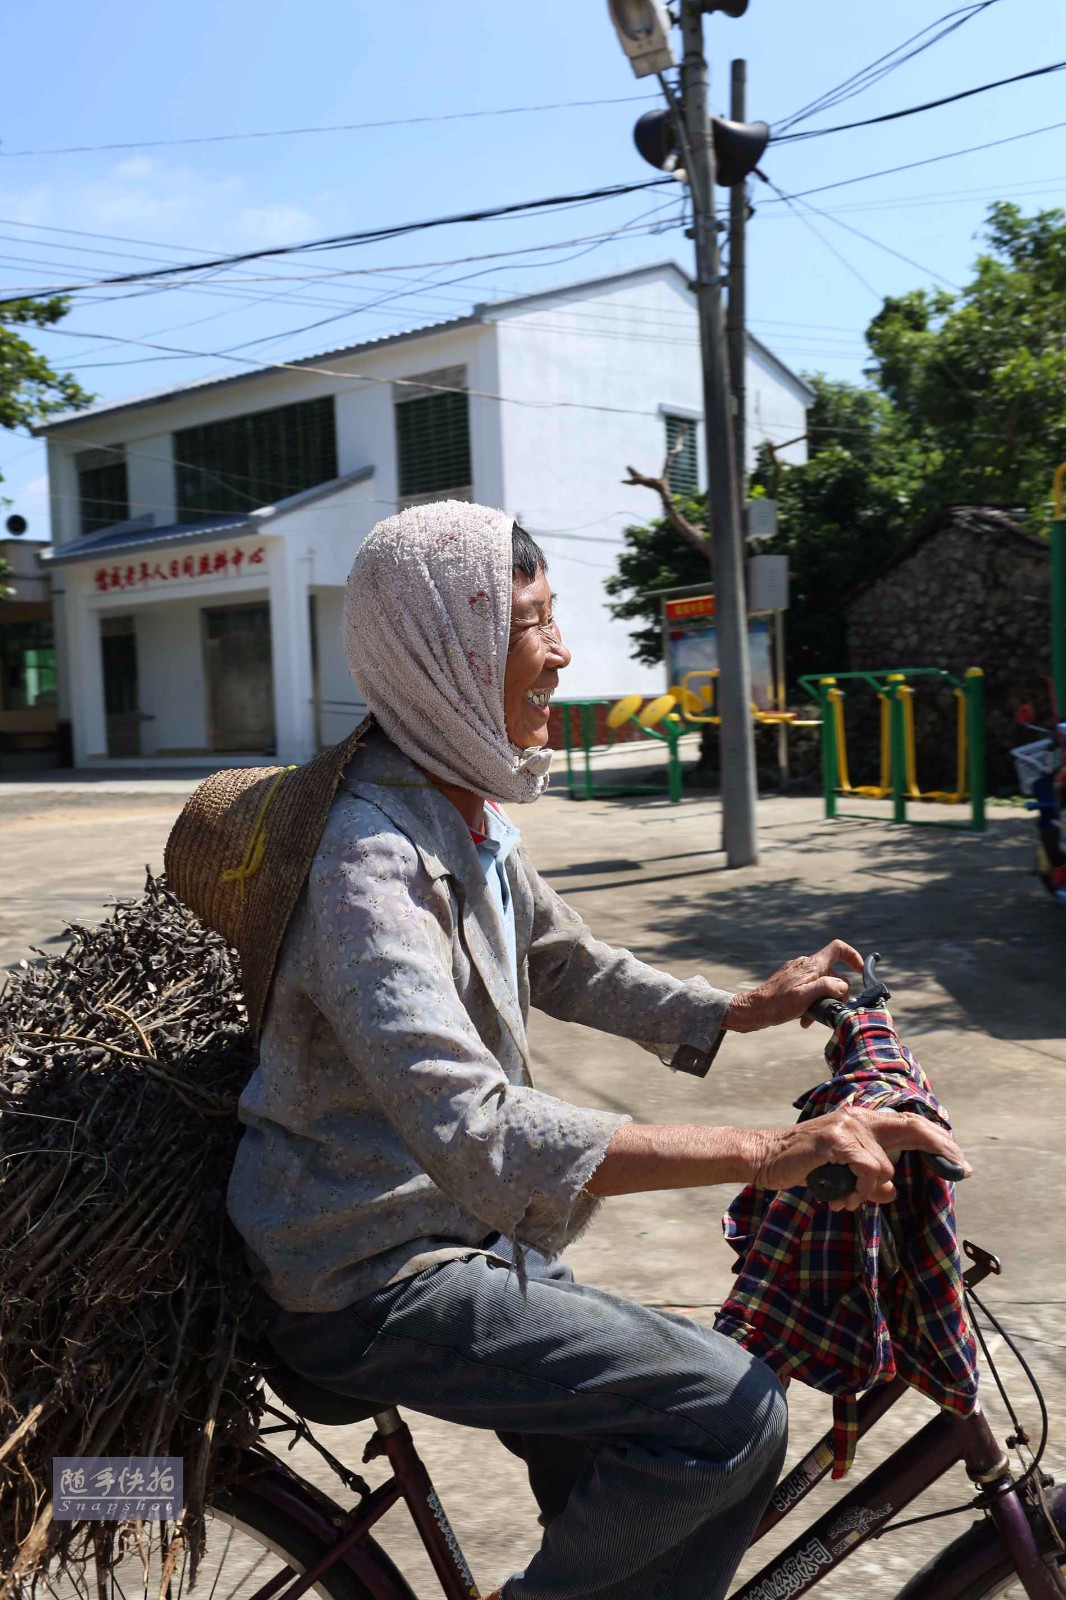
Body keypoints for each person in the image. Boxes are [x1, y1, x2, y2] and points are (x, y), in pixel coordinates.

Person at [174, 501, 969, 1600]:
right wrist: (770, 1146)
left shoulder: (464, 804)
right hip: (367, 1274)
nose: (559, 652)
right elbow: (479, 1130)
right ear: (443, 648)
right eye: (529, 623)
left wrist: (732, 1007)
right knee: (725, 1407)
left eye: (554, 618)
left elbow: (562, 957)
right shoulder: (365, 864)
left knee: (656, 1484)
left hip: (457, 1229)